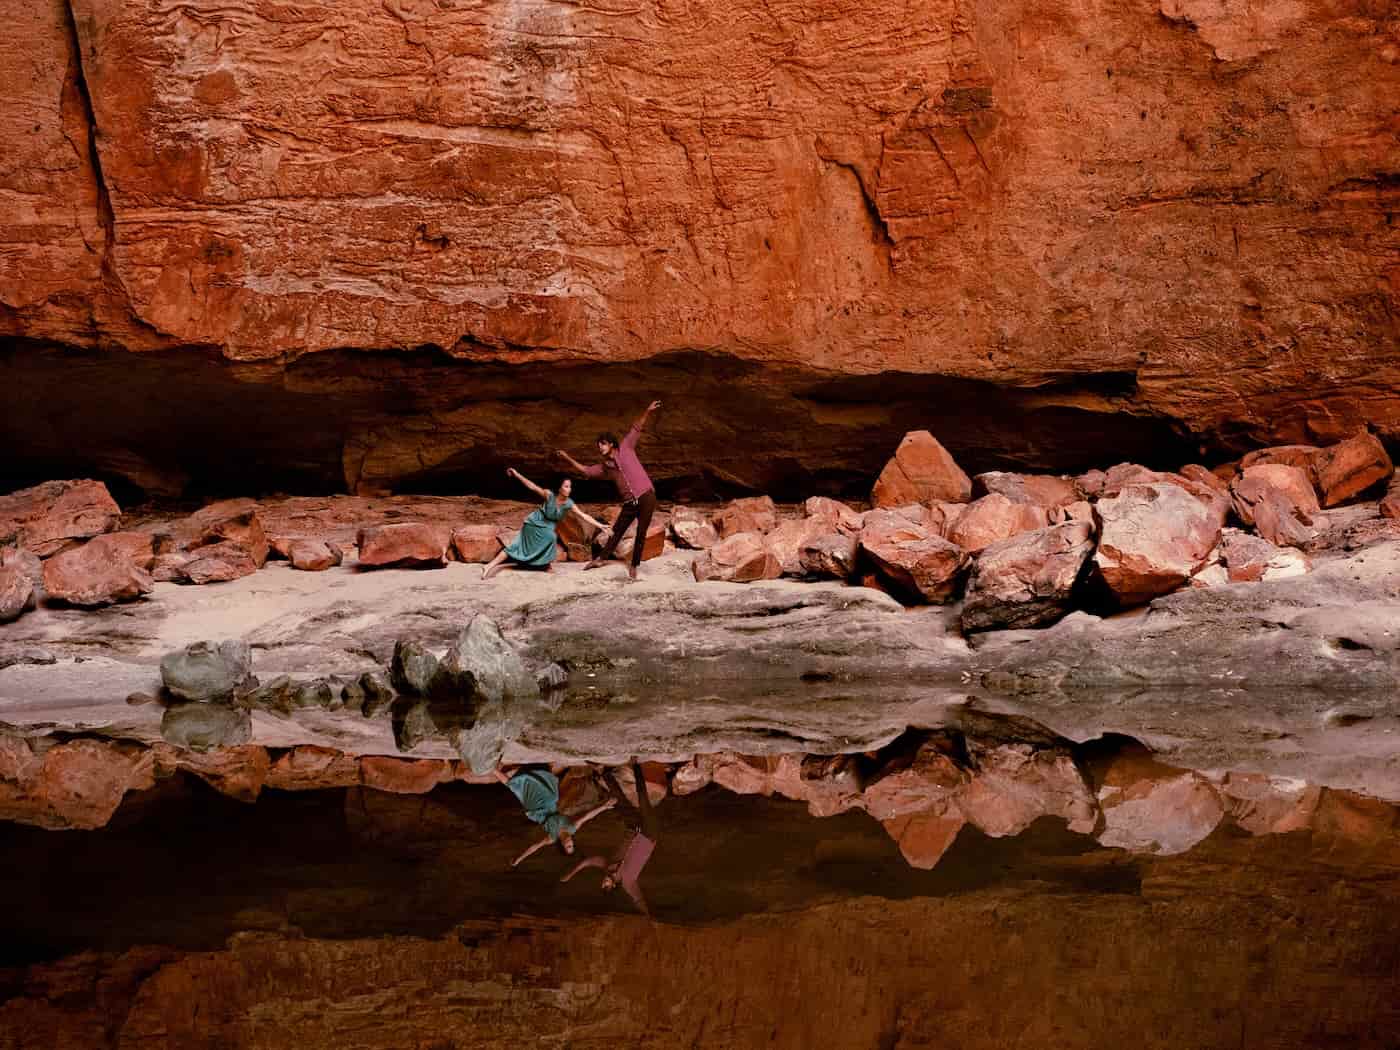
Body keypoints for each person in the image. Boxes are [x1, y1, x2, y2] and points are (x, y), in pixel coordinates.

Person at [556, 400, 661, 581]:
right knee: (616, 531)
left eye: (603, 444)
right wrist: (567, 458)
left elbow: (636, 427)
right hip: (629, 503)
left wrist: (647, 411)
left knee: (641, 532)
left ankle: (634, 565)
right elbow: (586, 471)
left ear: (611, 444)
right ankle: (600, 559)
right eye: (599, 445)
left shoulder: (626, 448)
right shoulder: (606, 467)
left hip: (646, 496)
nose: (600, 447)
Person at [560, 757, 661, 917]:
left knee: (618, 802)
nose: (603, 882)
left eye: (602, 884)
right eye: (606, 885)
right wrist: (649, 917)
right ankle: (636, 765)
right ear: (613, 885)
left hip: (633, 827)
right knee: (643, 798)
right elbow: (638, 899)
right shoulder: (628, 882)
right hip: (649, 834)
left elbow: (588, 862)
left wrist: (571, 874)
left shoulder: (606, 865)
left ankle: (602, 771)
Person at [482, 469, 610, 580]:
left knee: (551, 537)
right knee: (517, 545)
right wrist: (516, 474)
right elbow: (532, 486)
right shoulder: (549, 495)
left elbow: (584, 515)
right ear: (559, 488)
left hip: (548, 526)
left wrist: (600, 525)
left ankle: (545, 565)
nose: (569, 490)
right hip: (534, 523)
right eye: (566, 486)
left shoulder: (569, 503)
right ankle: (488, 566)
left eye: (570, 487)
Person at [495, 765, 616, 865]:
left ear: (562, 845)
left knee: (517, 789)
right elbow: (587, 816)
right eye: (572, 845)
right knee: (552, 794)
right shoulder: (572, 827)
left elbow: (534, 847)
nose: (570, 843)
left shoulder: (552, 838)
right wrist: (603, 807)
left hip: (538, 811)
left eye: (568, 846)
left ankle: (493, 770)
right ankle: (537, 771)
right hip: (551, 803)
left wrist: (519, 859)